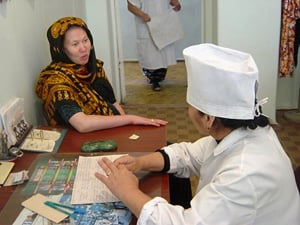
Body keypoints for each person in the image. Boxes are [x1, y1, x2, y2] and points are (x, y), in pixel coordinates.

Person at [95, 44, 300, 224]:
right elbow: (190, 154)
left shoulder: (244, 172)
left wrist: (127, 191)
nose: (188, 111)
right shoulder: (244, 131)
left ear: (209, 119)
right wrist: (140, 163)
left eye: (190, 105)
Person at [35, 17, 167, 133]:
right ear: (61, 49)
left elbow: (113, 102)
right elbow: (82, 124)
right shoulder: (56, 81)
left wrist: (127, 128)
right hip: (82, 142)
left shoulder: (94, 68)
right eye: (75, 44)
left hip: (114, 130)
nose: (83, 48)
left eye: (85, 40)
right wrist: (130, 119)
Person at [127, 0, 182, 91]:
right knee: (150, 55)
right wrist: (142, 15)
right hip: (147, 24)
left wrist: (176, 4)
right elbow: (131, 6)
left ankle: (160, 77)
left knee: (163, 55)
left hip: (163, 23)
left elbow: (173, 1)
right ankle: (153, 80)